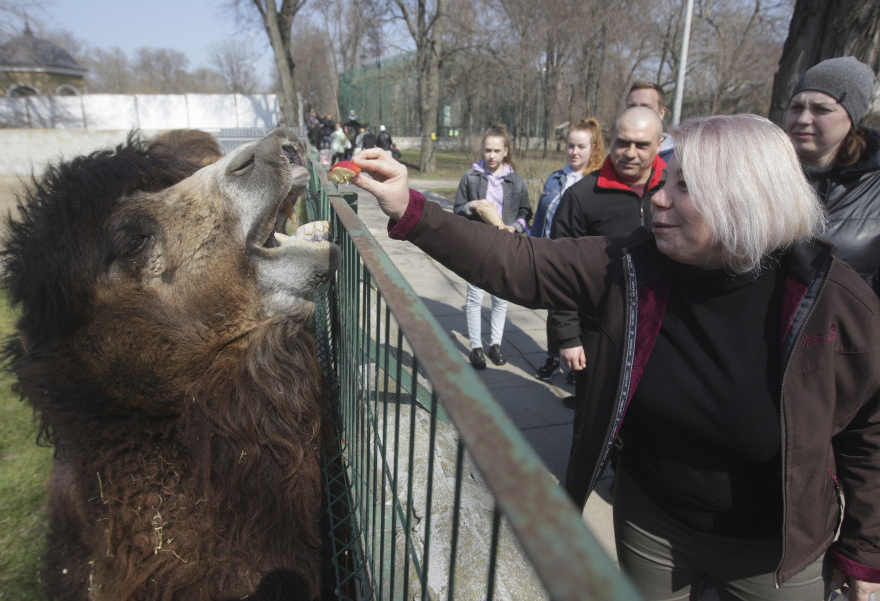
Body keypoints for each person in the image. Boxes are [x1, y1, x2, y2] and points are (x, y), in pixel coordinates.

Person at [350, 115, 880, 601]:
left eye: (685, 187)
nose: (659, 198)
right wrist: (409, 208)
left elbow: (868, 433)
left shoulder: (829, 300)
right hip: (653, 525)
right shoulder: (632, 263)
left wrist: (864, 555)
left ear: (746, 199)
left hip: (775, 555)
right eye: (666, 180)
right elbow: (515, 261)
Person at [545, 107, 666, 409]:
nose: (630, 153)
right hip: (599, 332)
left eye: (642, 145)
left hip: (662, 332)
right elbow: (560, 271)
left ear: (660, 144)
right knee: (594, 422)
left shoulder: (677, 190)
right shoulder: (583, 196)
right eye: (623, 142)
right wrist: (568, 335)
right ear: (611, 140)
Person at [784, 56, 880, 295]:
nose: (803, 120)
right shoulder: (763, 173)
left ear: (852, 118)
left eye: (821, 109)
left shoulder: (875, 184)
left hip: (847, 328)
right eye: (796, 108)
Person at [529, 118, 606, 383]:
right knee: (555, 311)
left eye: (581, 146)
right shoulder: (555, 179)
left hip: (581, 262)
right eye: (571, 146)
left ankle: (577, 365)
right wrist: (534, 247)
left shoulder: (596, 183)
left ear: (593, 148)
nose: (574, 151)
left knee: (580, 314)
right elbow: (540, 218)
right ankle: (553, 356)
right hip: (553, 257)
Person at [453, 124, 532, 369]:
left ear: (505, 151)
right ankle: (476, 347)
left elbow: (525, 212)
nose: (491, 156)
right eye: (488, 150)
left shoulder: (516, 181)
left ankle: (495, 345)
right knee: (475, 298)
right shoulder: (471, 176)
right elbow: (458, 209)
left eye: (497, 150)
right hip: (477, 247)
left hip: (503, 247)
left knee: (500, 299)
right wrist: (472, 205)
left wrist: (515, 228)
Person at [627, 81, 675, 161]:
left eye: (646, 108)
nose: (637, 112)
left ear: (661, 113)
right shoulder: (616, 156)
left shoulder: (676, 158)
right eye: (632, 107)